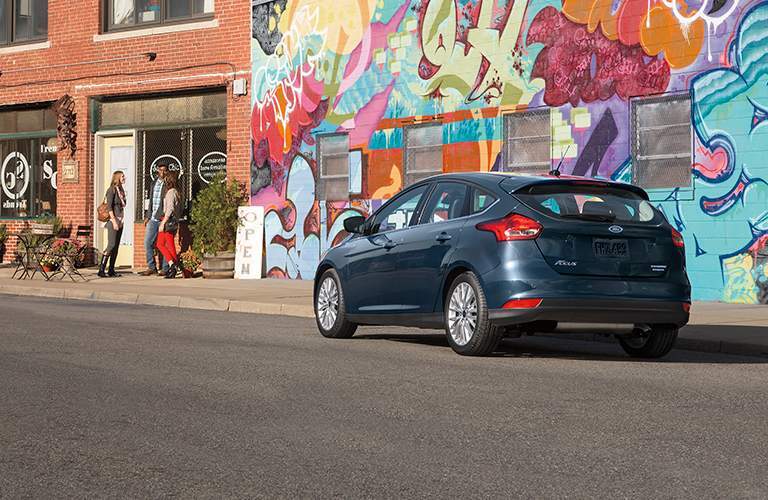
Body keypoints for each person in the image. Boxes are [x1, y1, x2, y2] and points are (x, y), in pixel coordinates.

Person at [140, 164, 169, 276]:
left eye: (164, 170)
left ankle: (165, 268)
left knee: (164, 244)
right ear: (157, 170)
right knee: (148, 242)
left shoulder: (168, 184)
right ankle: (151, 267)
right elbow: (151, 200)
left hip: (162, 218)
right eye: (160, 170)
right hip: (152, 218)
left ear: (167, 171)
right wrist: (147, 216)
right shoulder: (153, 183)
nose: (162, 172)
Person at [154, 171, 182, 279]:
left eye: (166, 179)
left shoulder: (171, 192)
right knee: (160, 244)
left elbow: (170, 209)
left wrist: (163, 223)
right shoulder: (176, 192)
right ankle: (172, 265)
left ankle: (173, 266)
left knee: (169, 245)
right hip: (172, 221)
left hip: (168, 221)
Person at [99, 171, 127, 278]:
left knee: (116, 247)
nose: (124, 178)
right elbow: (109, 207)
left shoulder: (121, 190)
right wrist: (114, 221)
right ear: (117, 178)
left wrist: (120, 221)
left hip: (120, 220)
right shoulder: (111, 190)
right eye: (122, 176)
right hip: (112, 221)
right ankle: (101, 269)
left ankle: (111, 270)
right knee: (111, 245)